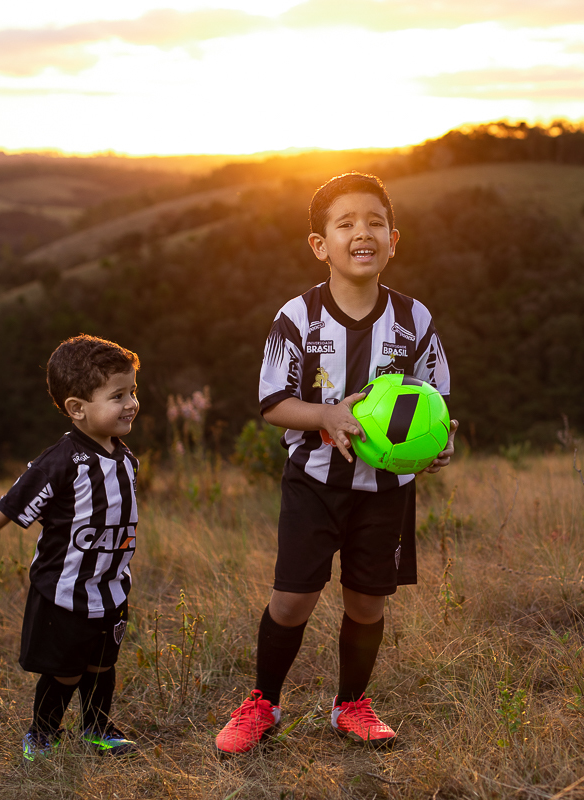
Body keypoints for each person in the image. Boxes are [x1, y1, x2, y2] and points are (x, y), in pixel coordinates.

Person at [215, 172, 458, 755]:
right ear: (320, 245)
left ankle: (351, 704)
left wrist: (440, 441)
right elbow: (274, 402)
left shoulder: (415, 320)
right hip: (314, 483)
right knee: (293, 597)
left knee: (367, 599)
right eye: (345, 223)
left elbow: (436, 402)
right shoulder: (297, 319)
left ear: (393, 240)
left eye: (374, 221)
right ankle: (262, 702)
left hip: (387, 489)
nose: (362, 232)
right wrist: (326, 416)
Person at [0, 334, 143, 761]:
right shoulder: (60, 462)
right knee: (64, 670)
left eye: (133, 392)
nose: (131, 403)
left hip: (110, 588)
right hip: (64, 592)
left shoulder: (125, 458)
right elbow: (8, 507)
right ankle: (42, 734)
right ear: (77, 408)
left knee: (102, 665)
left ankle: (97, 729)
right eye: (117, 395)